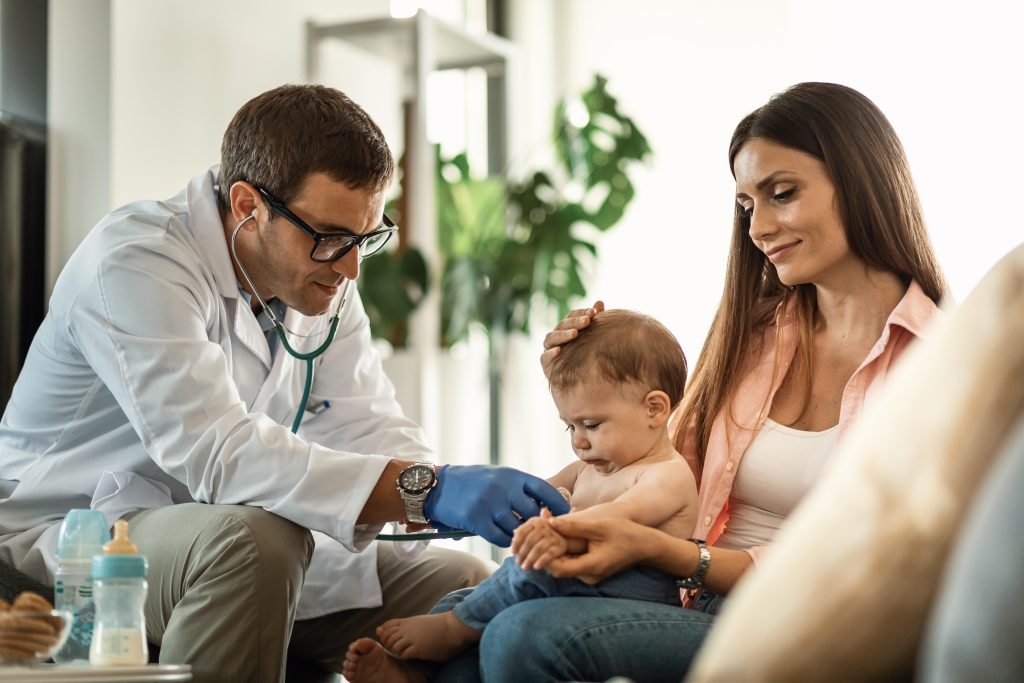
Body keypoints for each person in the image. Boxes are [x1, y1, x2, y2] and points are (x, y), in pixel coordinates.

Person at [360, 81, 948, 683]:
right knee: (464, 629)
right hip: (692, 600)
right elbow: (660, 461)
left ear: (861, 181)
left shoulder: (941, 363)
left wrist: (669, 554)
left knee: (520, 636)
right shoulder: (757, 336)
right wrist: (579, 380)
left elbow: (876, 562)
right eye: (748, 206)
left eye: (783, 194)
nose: (759, 229)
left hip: (806, 626)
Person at [0, 84, 569, 683]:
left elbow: (368, 424)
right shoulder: (137, 261)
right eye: (328, 237)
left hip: (221, 534)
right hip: (71, 541)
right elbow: (219, 452)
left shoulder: (320, 280)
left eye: (364, 238)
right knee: (255, 543)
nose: (350, 267)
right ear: (247, 205)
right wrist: (423, 489)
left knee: (466, 589)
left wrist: (440, 504)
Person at [343, 309, 697, 681]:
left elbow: (615, 520)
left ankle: (449, 632)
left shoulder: (667, 475)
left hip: (627, 595)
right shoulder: (591, 468)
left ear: (654, 409)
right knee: (465, 601)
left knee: (524, 571)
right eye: (569, 427)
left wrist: (556, 526)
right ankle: (420, 673)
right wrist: (451, 511)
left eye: (591, 425)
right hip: (574, 584)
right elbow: (532, 493)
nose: (578, 440)